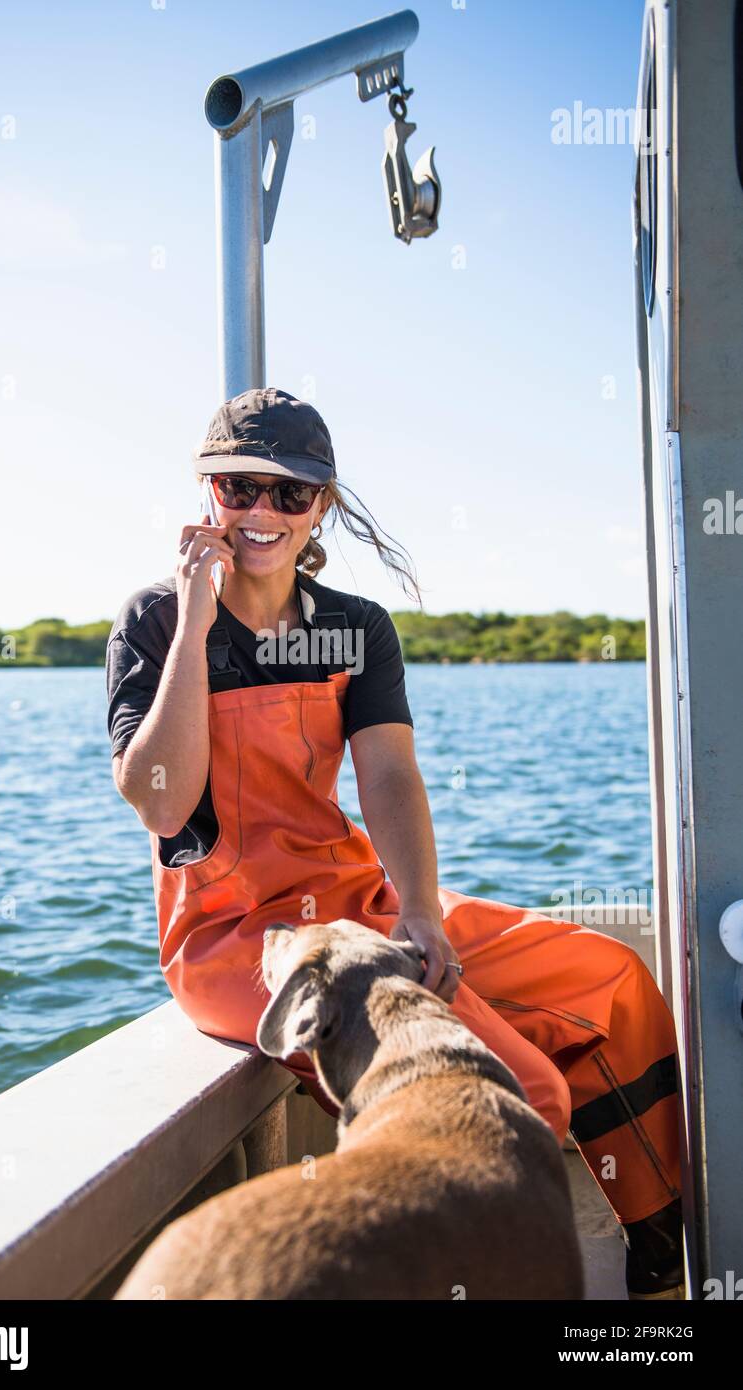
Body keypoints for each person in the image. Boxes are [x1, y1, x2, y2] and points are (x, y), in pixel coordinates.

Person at [106, 386, 685, 1299]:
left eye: (289, 494)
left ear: (321, 506)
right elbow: (162, 801)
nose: (261, 511)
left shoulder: (355, 628)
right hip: (243, 942)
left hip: (364, 905)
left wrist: (420, 909)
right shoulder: (154, 622)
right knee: (527, 1097)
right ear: (206, 494)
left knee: (611, 982)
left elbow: (389, 780)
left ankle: (661, 1272)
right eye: (239, 488)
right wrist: (194, 615)